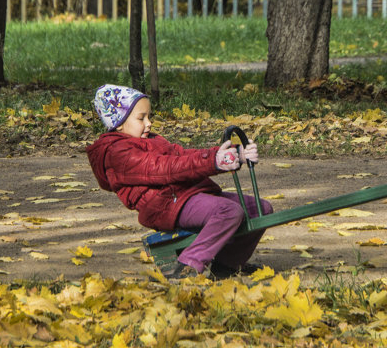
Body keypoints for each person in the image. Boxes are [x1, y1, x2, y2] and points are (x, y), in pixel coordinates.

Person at [85, 84, 272, 280]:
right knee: (229, 211)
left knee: (260, 208)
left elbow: (183, 155)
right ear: (119, 122)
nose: (148, 123)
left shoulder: (152, 140)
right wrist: (213, 161)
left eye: (149, 117)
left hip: (183, 196)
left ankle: (227, 264)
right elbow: (165, 167)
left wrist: (235, 153)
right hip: (165, 205)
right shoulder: (118, 153)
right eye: (141, 118)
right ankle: (187, 265)